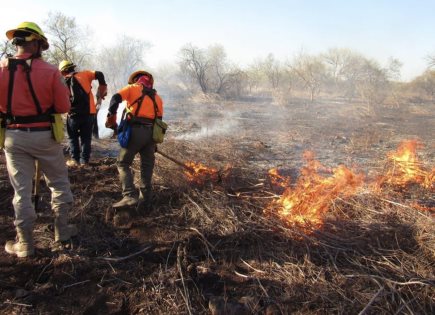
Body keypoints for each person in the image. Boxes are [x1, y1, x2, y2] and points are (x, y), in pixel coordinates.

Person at [0, 22, 77, 257]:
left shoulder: (1, 68)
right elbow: (64, 106)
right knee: (58, 183)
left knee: (21, 192)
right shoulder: (51, 71)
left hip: (13, 137)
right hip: (45, 136)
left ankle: (24, 244)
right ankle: (62, 232)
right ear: (36, 44)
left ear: (17, 44)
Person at [105, 71, 163, 211]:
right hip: (151, 135)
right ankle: (145, 203)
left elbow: (115, 98)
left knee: (122, 162)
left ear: (136, 80)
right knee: (147, 168)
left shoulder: (132, 88)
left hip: (135, 131)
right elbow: (159, 123)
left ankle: (129, 195)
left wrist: (111, 117)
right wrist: (153, 143)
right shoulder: (158, 98)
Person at [59, 60, 107, 167]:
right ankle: (85, 161)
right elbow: (99, 74)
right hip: (88, 114)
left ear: (62, 72)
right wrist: (102, 89)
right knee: (86, 138)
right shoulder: (85, 74)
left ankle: (75, 160)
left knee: (72, 137)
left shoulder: (61, 81)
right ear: (72, 68)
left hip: (72, 115)